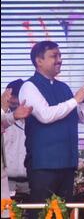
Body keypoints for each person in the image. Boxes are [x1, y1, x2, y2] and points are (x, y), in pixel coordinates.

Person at [18, 40, 84, 216]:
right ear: (39, 61)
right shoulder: (29, 86)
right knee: (42, 214)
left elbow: (82, 118)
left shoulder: (64, 87)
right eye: (54, 56)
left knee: (63, 213)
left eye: (60, 56)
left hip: (67, 162)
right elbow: (45, 115)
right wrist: (75, 99)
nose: (59, 60)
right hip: (43, 164)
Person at [1, 85, 33, 218]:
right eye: (10, 100)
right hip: (9, 180)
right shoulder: (6, 118)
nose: (13, 103)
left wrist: (14, 115)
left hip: (29, 181)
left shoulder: (33, 119)